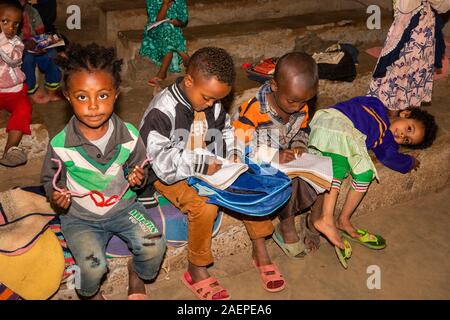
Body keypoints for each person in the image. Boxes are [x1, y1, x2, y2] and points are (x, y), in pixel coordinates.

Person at [139, 47, 286, 300]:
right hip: (169, 174)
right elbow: (161, 162)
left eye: (217, 100)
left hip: (210, 166)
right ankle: (196, 268)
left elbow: (226, 131)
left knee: (249, 185)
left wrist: (232, 154)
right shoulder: (162, 111)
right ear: (188, 81)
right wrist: (200, 165)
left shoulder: (214, 103)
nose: (211, 104)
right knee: (204, 205)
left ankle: (259, 247)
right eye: (207, 98)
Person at [40, 43, 166, 300]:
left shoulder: (129, 135)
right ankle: (89, 293)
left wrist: (138, 178)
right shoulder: (60, 145)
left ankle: (136, 272)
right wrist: (56, 195)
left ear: (116, 94)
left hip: (125, 208)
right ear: (67, 96)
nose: (94, 105)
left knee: (154, 245)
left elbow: (140, 166)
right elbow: (49, 180)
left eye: (103, 95)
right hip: (80, 217)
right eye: (82, 96)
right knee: (91, 266)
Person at [307, 96, 437, 266]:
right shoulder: (376, 105)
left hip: (351, 140)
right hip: (335, 121)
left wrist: (409, 162)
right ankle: (326, 218)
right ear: (405, 113)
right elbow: (348, 105)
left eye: (406, 140)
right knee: (338, 165)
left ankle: (343, 220)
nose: (402, 135)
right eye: (409, 129)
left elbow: (389, 158)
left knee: (366, 173)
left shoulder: (385, 140)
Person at [232, 52, 323, 257]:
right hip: (253, 161)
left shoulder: (301, 105)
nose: (298, 107)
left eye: (304, 101)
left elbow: (302, 130)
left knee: (322, 173)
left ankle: (315, 221)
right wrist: (272, 156)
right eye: (292, 101)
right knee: (285, 180)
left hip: (285, 156)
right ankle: (287, 227)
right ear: (274, 85)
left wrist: (300, 145)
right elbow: (238, 147)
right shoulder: (253, 110)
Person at [367, 0, 450, 113]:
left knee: (414, 79)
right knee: (390, 76)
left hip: (425, 33)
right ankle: (381, 113)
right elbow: (405, 7)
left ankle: (405, 114)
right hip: (404, 33)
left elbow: (444, 7)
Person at [0, 0, 32, 167]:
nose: (10, 27)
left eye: (15, 24)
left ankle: (10, 149)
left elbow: (12, 59)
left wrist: (2, 39)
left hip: (14, 91)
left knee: (24, 108)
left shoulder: (17, 43)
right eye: (5, 21)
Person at [19, 0, 62, 104]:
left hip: (33, 43)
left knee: (52, 54)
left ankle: (52, 88)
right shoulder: (7, 11)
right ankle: (31, 90)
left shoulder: (32, 10)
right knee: (28, 59)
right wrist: (24, 45)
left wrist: (42, 43)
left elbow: (40, 31)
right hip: (17, 46)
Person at [140, 0, 189, 86]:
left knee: (168, 29)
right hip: (154, 30)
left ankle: (162, 73)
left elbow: (183, 21)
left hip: (173, 31)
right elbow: (157, 20)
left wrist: (177, 22)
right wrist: (165, 4)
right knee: (166, 27)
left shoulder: (179, 1)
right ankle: (184, 54)